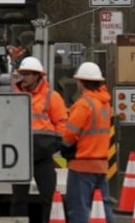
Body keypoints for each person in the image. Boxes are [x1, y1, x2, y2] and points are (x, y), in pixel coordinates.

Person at [10, 56, 67, 223]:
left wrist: (54, 146)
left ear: (37, 76)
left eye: (27, 74)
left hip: (43, 156)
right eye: (22, 73)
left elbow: (62, 123)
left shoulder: (52, 96)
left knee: (49, 198)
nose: (24, 77)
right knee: (18, 200)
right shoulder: (15, 96)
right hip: (20, 155)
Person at [62, 62, 115, 223]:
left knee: (79, 209)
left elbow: (69, 136)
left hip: (81, 165)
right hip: (101, 165)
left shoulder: (83, 105)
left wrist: (63, 146)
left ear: (81, 82)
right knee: (103, 207)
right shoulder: (105, 105)